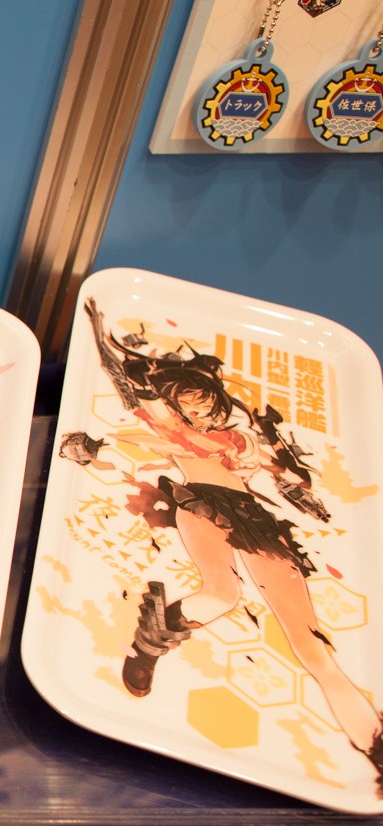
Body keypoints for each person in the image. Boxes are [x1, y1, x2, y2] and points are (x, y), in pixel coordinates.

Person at [79, 297, 383, 793]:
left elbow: (293, 478)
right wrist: (101, 332)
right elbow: (130, 382)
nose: (199, 410)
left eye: (204, 402)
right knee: (222, 594)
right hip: (201, 502)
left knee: (312, 646)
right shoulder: (168, 423)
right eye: (188, 403)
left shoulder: (239, 439)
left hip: (255, 518)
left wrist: (283, 463)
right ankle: (148, 644)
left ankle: (374, 746)